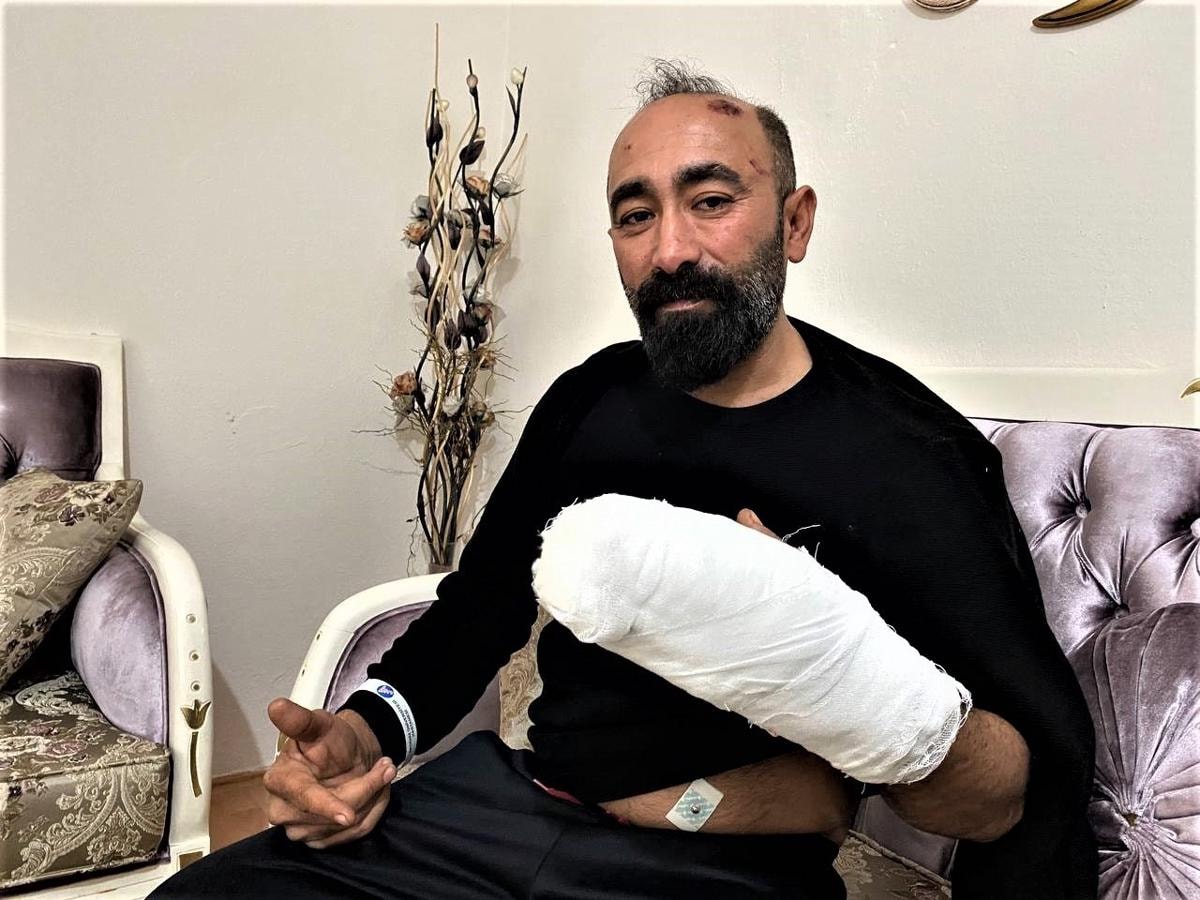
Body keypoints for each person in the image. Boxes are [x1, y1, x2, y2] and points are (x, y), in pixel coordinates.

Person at [154, 60, 1097, 899]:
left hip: (724, 858)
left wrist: (817, 654)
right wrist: (363, 735)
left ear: (795, 222)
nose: (670, 250)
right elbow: (476, 613)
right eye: (636, 215)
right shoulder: (588, 400)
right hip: (509, 804)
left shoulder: (908, 453)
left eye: (711, 200)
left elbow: (1002, 796)